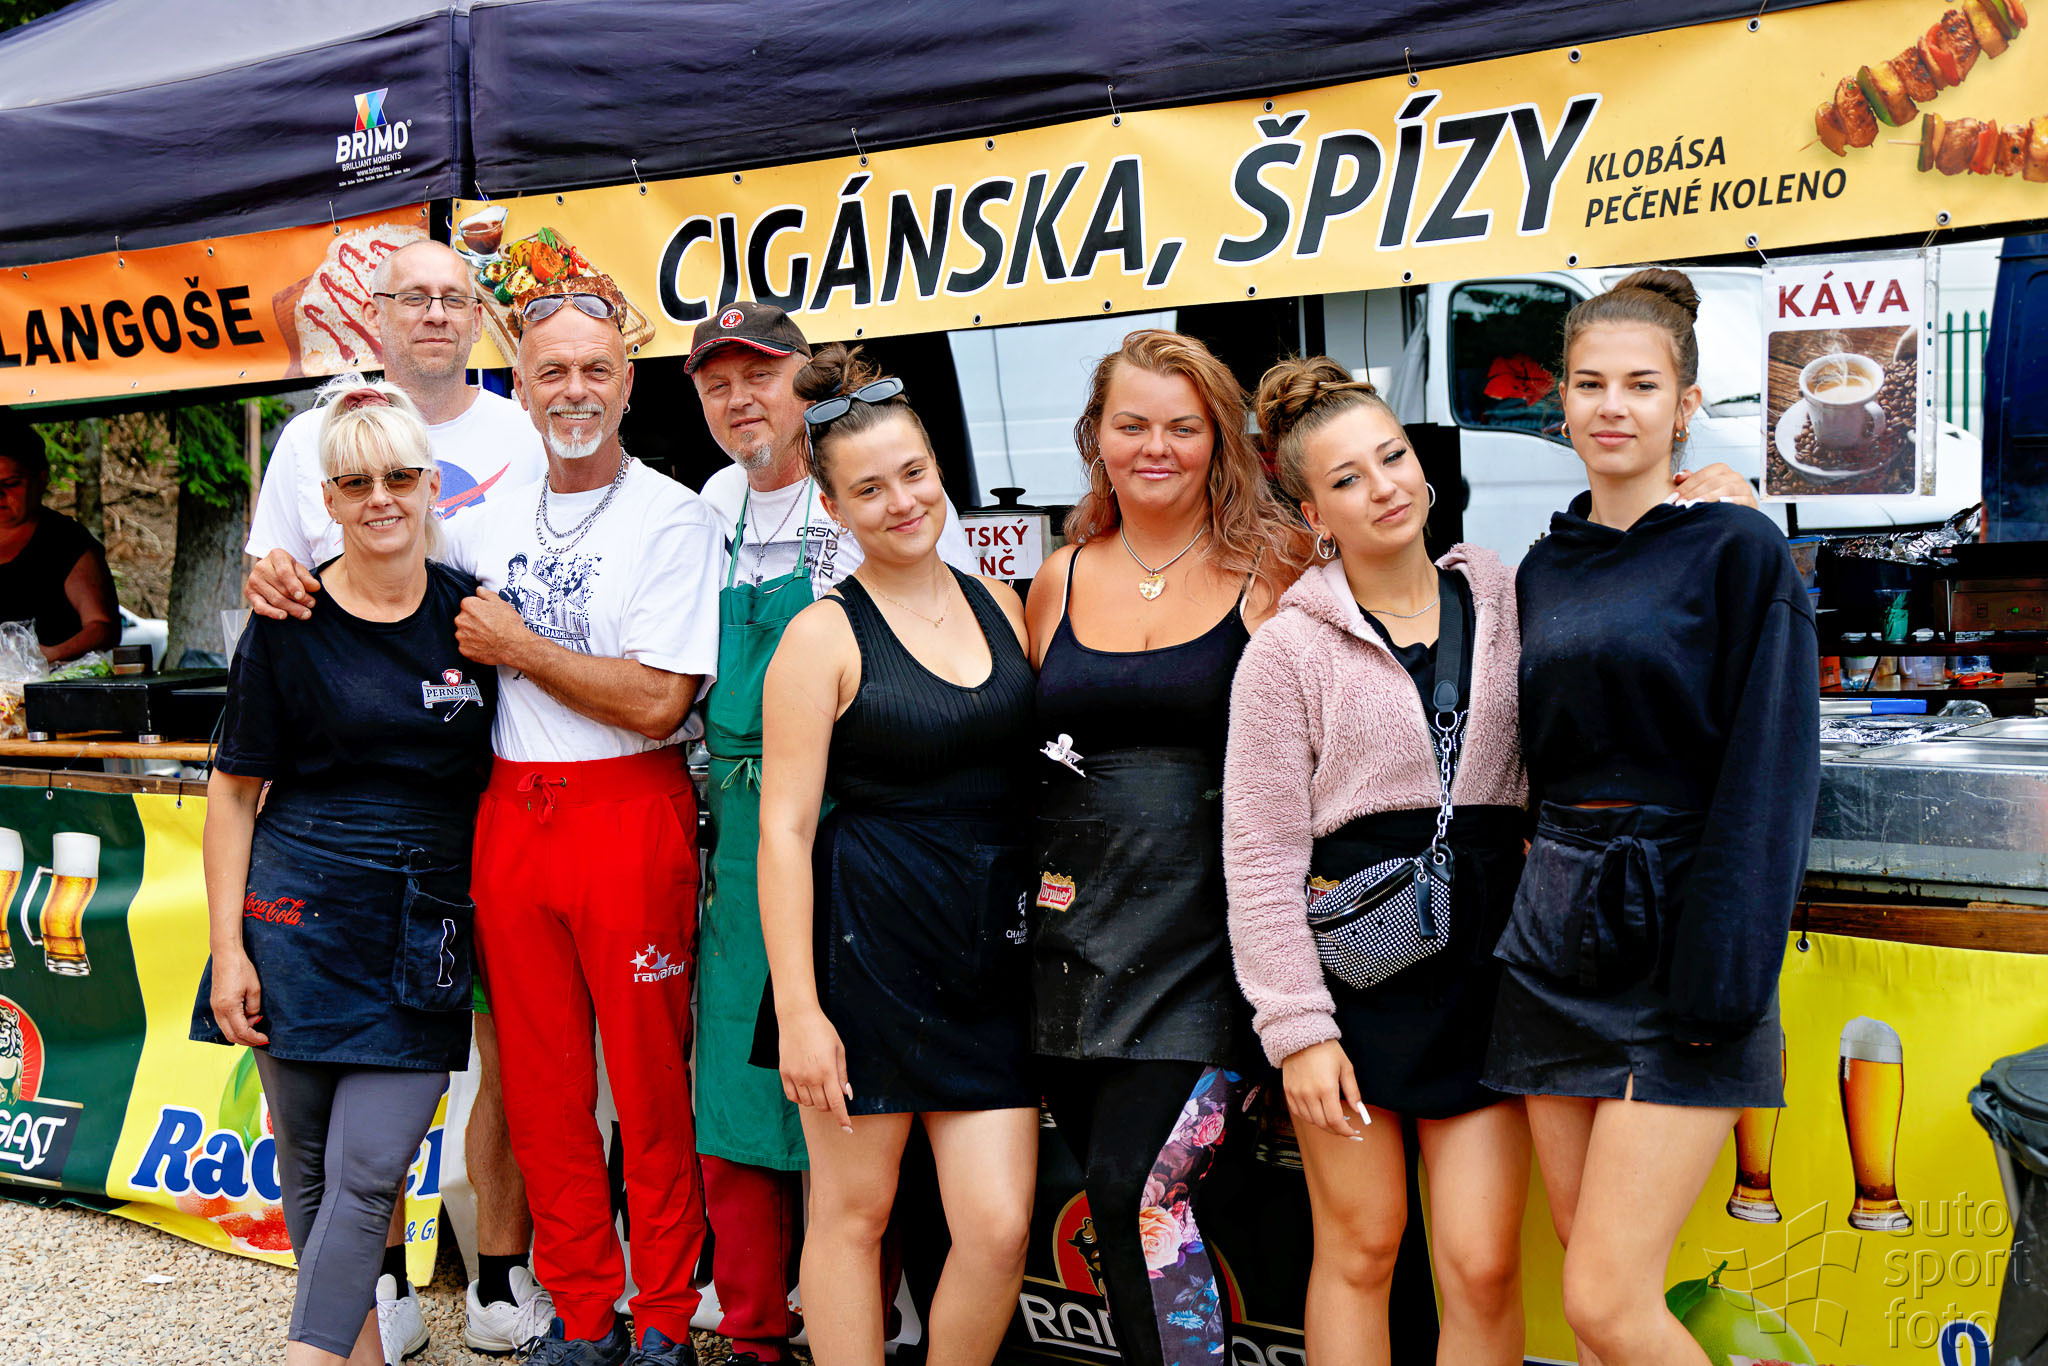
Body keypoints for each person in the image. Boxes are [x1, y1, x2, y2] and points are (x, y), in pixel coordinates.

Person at [246, 271, 725, 1366]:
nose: (573, 390)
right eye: (551, 371)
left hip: (628, 804)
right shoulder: (480, 513)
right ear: (524, 384)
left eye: (595, 369)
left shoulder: (672, 513)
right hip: (508, 813)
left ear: (628, 383)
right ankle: (582, 1312)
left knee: (648, 1080)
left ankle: (662, 1315)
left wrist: (521, 648)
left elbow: (661, 700)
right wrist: (280, 571)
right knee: (540, 1087)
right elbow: (374, 551)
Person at [1484, 268, 1819, 1366]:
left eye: (1641, 384)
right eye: (1589, 383)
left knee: (1606, 1302)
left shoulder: (1736, 546)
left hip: (1681, 934)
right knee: (1591, 1286)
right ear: (1561, 403)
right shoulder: (1545, 564)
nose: (1611, 406)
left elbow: (1771, 774)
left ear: (1685, 405)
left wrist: (1723, 977)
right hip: (1551, 941)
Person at [243, 237, 551, 1363]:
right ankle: (364, 1320)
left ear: (477, 316)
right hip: (314, 887)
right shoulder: (306, 440)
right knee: (320, 1156)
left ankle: (497, 1274)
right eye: (410, 296)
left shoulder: (520, 438)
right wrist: (274, 578)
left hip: (458, 857)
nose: (432, 314)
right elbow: (268, 576)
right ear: (372, 314)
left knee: (467, 1090)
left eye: (451, 298)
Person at [1223, 358, 1532, 1366]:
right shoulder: (1285, 652)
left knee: (1482, 1264)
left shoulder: (1504, 601)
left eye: (1391, 457)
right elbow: (1258, 857)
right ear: (1314, 513)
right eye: (1347, 479)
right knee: (1361, 1250)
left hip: (1486, 963)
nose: (1383, 487)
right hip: (1354, 968)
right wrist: (1297, 1032)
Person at [686, 302, 975, 1366]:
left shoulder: (882, 496)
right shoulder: (709, 506)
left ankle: (874, 1308)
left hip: (863, 824)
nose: (739, 400)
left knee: (862, 1088)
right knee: (742, 1079)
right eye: (717, 384)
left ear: (805, 384)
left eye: (759, 376)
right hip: (745, 821)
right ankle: (755, 1323)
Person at [195, 377, 496, 1366]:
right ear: (325, 499)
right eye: (355, 482)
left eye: (399, 476)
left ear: (431, 486)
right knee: (312, 1177)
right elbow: (233, 792)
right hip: (297, 921)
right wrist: (228, 948)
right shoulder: (288, 620)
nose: (379, 498)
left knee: (370, 1170)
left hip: (422, 925)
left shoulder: (474, 619)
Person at [1025, 329, 1308, 1366]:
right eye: (1131, 424)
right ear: (1095, 437)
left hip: (1216, 950)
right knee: (1123, 1215)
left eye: (1182, 427)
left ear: (1219, 439)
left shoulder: (1278, 565)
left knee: (1139, 1193)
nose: (1156, 447)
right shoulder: (1057, 577)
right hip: (1075, 951)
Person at [755, 345, 1036, 1366]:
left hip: (987, 957)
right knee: (852, 1215)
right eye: (869, 489)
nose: (902, 501)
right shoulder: (820, 636)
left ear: (937, 469)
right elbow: (783, 832)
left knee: (997, 1224)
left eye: (913, 473)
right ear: (833, 508)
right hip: (863, 954)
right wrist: (800, 1011)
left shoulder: (1000, 602)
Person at [0, 409, 120, 664]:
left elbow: (103, 626)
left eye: (10, 483)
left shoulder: (66, 542)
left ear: (40, 480)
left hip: (51, 682)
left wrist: (50, 656)